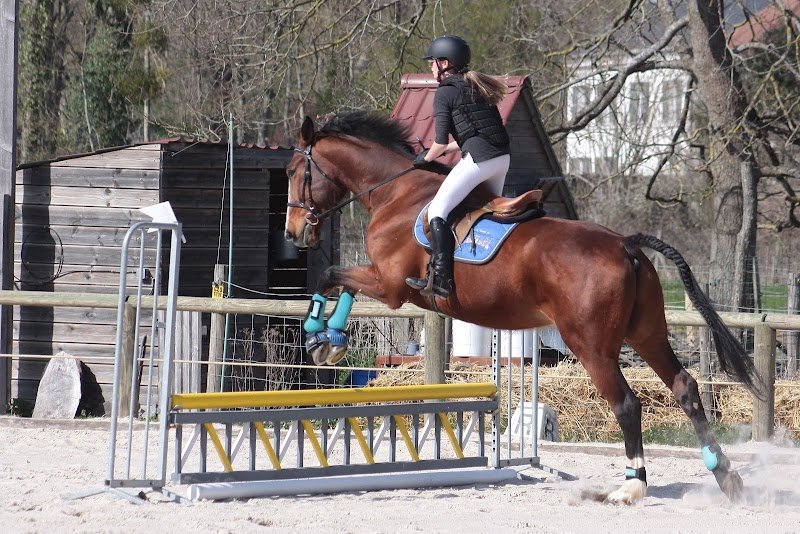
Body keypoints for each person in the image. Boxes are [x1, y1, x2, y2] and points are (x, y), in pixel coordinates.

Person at [405, 35, 511, 299]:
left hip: (480, 160)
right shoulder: (475, 86)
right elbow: (465, 138)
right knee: (482, 212)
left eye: (432, 63)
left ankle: (442, 279)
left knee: (438, 212)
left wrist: (425, 158)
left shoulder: (445, 92)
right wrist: (436, 153)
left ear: (445, 63)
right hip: (501, 160)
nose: (430, 68)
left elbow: (440, 143)